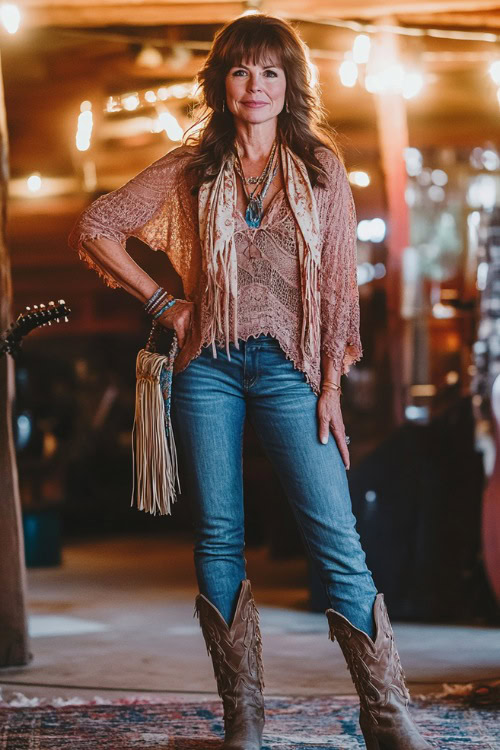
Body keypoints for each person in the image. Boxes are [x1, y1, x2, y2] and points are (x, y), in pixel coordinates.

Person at [69, 14, 432, 750]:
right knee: (219, 537)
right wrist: (166, 304)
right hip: (206, 370)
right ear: (221, 83)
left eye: (269, 71)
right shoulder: (190, 168)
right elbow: (98, 225)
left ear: (290, 82)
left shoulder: (322, 170)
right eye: (240, 71)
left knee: (336, 535)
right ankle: (245, 719)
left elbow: (335, 293)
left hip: (292, 372)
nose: (255, 85)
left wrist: (329, 388)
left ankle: (386, 714)